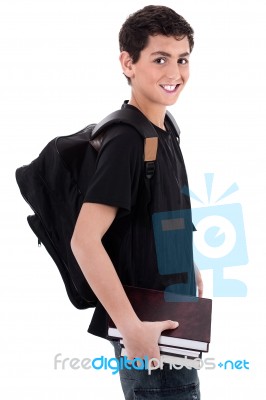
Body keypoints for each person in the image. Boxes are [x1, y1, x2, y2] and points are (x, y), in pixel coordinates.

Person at [71, 5, 203, 399]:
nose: (175, 73)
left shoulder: (165, 129)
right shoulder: (127, 138)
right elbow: (85, 240)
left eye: (182, 59)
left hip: (171, 310)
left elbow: (159, 208)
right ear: (128, 62)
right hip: (146, 324)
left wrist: (186, 262)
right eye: (159, 59)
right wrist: (130, 328)